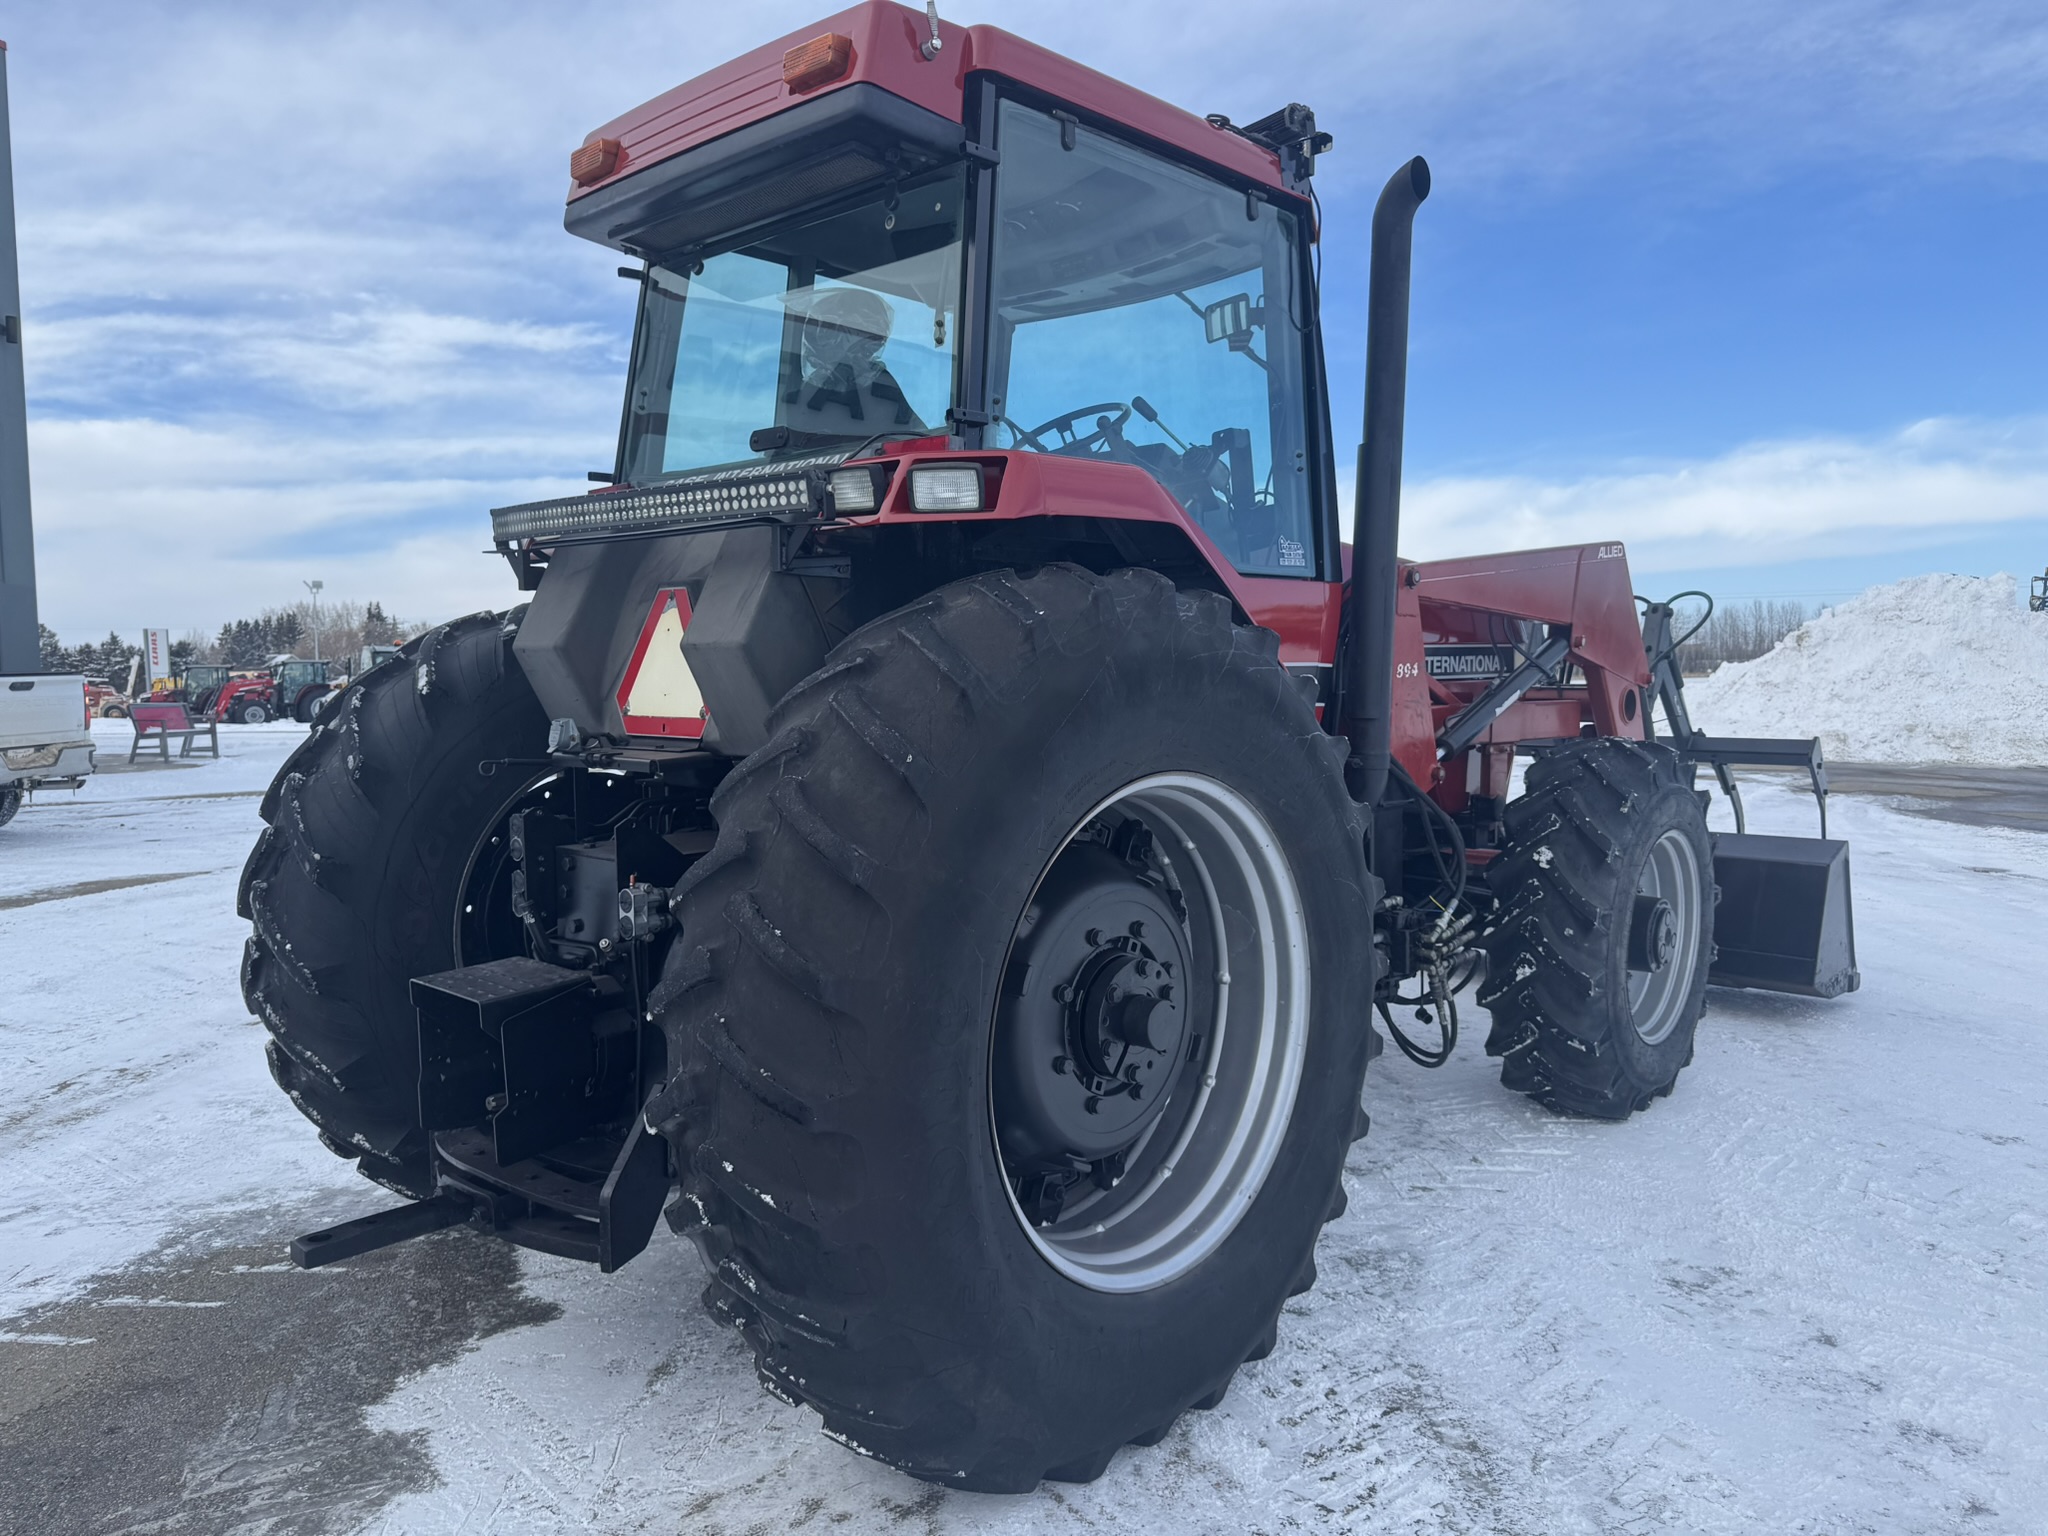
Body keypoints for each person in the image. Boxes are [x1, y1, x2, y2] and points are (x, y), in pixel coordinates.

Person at [784, 286, 926, 439]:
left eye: (829, 327)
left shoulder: (884, 391)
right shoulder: (811, 390)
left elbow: (917, 445)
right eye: (817, 327)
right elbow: (785, 450)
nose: (818, 335)